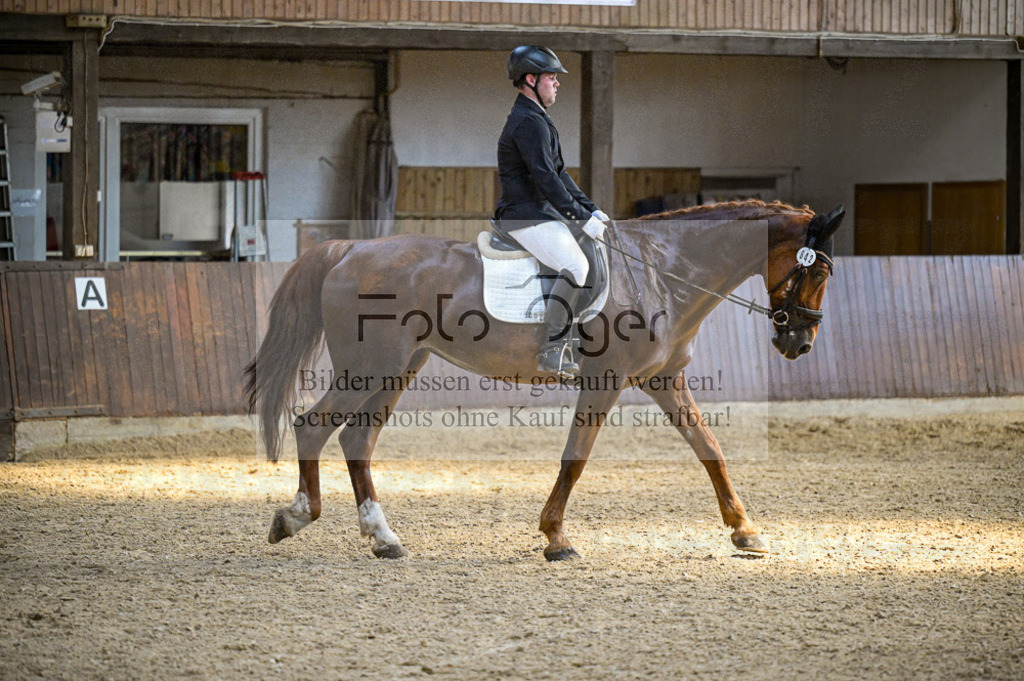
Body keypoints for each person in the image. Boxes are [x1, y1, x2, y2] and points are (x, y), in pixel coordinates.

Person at [494, 45, 610, 378]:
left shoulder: (536, 118)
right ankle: (553, 348)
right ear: (530, 79)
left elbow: (559, 173)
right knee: (575, 265)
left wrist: (591, 210)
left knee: (590, 254)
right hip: (524, 216)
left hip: (539, 213)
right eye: (551, 77)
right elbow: (546, 180)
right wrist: (579, 219)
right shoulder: (527, 122)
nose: (557, 83)